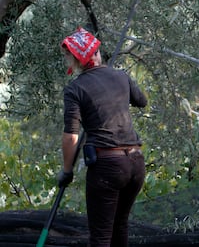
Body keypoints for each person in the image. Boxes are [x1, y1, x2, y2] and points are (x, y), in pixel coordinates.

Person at [57, 27, 147, 246]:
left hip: (108, 166)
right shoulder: (121, 76)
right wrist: (119, 82)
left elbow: (71, 137)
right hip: (135, 163)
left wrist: (66, 171)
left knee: (101, 237)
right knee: (120, 226)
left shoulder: (75, 89)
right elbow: (141, 101)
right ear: (96, 53)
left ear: (76, 60)